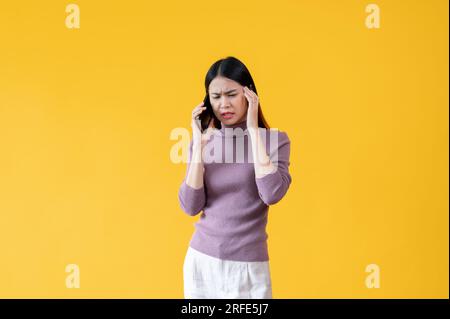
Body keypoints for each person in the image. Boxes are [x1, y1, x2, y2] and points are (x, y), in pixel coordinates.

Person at [178, 56, 292, 299]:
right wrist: (198, 146)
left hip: (248, 267)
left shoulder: (275, 140)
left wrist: (252, 131)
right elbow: (190, 206)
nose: (223, 105)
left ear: (249, 94)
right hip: (202, 262)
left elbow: (272, 194)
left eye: (231, 94)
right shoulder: (203, 142)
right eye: (216, 97)